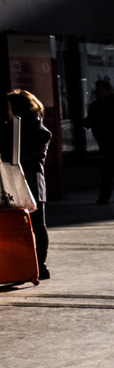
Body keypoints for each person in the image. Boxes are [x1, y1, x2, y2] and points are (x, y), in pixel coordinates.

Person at [7, 90, 51, 279]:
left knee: (37, 226)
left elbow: (22, 155)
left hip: (31, 181)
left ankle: (40, 265)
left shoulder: (39, 131)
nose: (6, 111)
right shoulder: (10, 128)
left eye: (9, 107)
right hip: (11, 182)